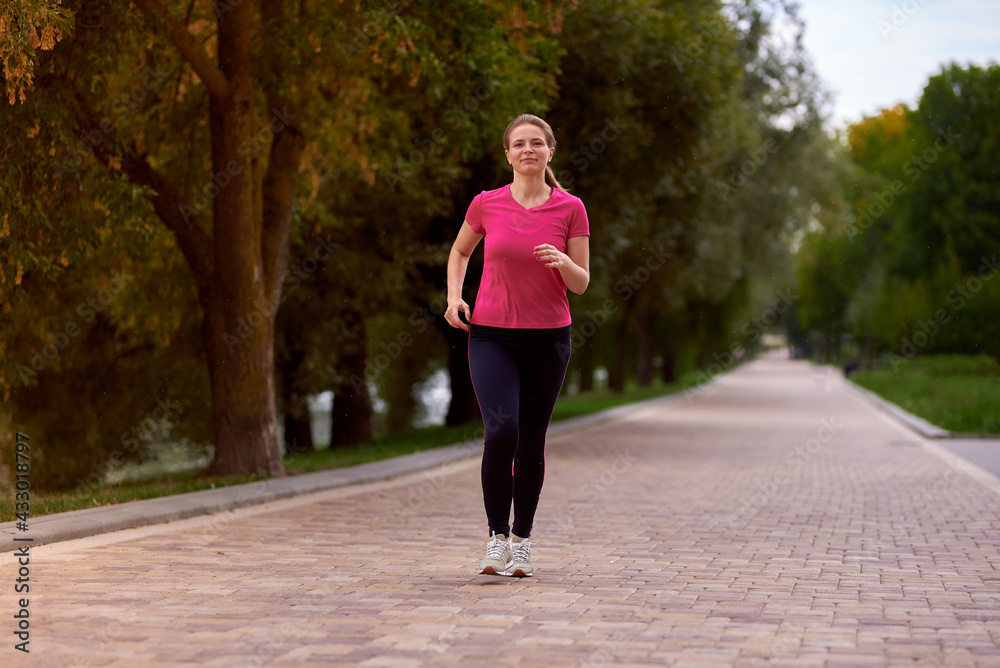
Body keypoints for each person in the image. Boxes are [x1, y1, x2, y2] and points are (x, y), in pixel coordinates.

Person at [444, 114, 591, 577]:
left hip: (548, 339)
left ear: (550, 151)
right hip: (491, 335)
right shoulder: (486, 204)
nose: (528, 150)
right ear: (507, 154)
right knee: (501, 432)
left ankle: (522, 541)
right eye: (519, 144)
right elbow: (461, 251)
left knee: (530, 441)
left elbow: (582, 283)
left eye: (537, 143)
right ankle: (496, 539)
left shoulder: (571, 208)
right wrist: (454, 296)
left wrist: (564, 260)